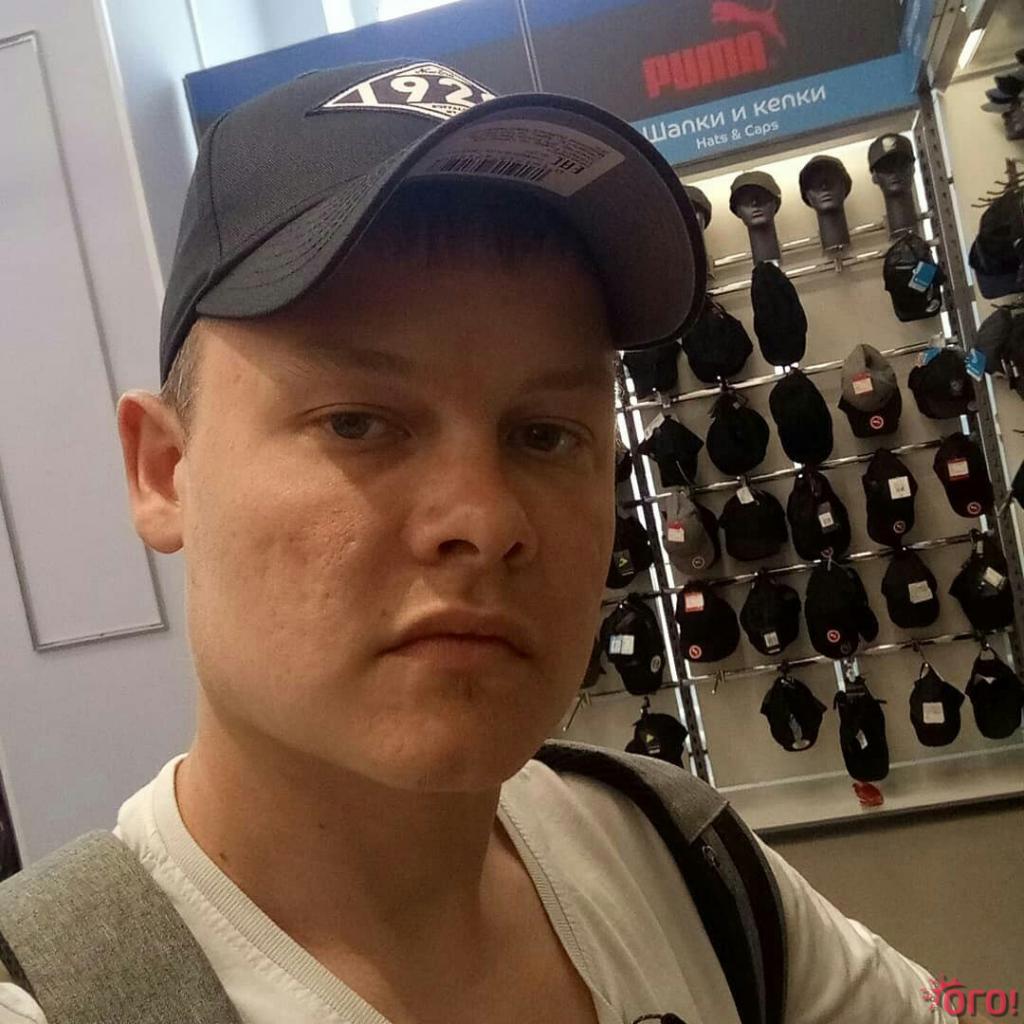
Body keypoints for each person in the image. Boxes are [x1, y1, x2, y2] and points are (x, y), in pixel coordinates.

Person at [0, 58, 988, 1024]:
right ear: (164, 470)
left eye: (545, 435)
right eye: (358, 421)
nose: (485, 521)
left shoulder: (684, 865)